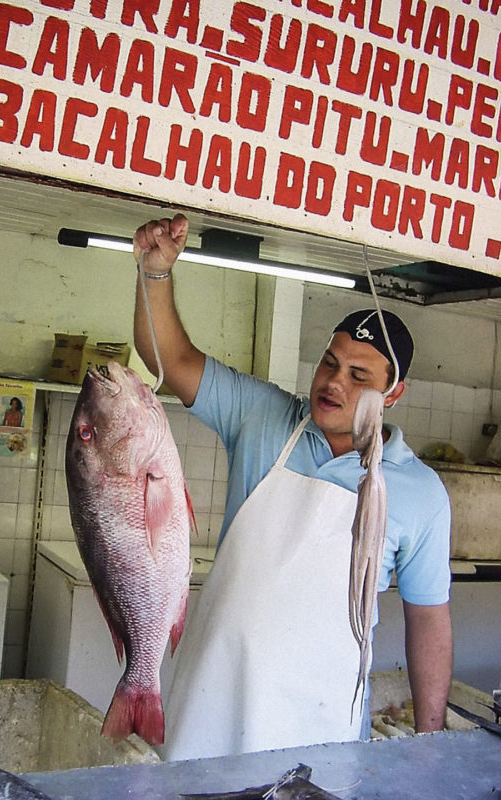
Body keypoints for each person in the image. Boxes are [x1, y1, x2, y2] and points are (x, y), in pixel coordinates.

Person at [132, 213, 452, 761]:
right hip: (210, 702)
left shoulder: (420, 492)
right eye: (330, 362)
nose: (332, 382)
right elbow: (172, 361)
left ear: (393, 393)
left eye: (359, 376)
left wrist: (430, 744)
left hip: (320, 722)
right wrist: (154, 273)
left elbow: (428, 623)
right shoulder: (263, 418)